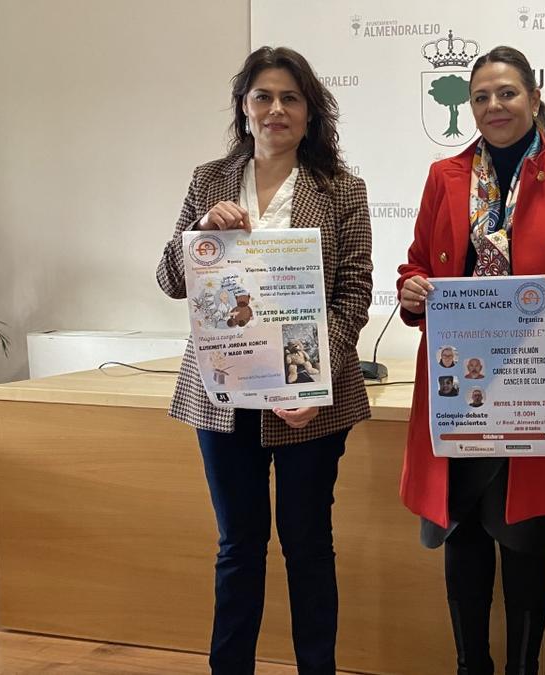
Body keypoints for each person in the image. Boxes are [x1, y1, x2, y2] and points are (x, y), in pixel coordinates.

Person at [396, 45, 545, 675]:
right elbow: (416, 262)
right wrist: (411, 291)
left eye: (508, 93)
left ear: (535, 98)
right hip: (459, 387)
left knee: (526, 542)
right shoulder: (445, 176)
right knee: (460, 536)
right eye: (482, 96)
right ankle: (472, 666)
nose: (495, 106)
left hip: (532, 387)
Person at [155, 46, 372, 675]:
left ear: (311, 113)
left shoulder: (341, 190)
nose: (276, 110)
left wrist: (307, 382)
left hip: (308, 403)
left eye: (291, 98)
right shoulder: (210, 181)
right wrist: (200, 232)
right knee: (237, 548)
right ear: (244, 108)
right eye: (263, 97)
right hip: (222, 394)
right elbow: (172, 279)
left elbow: (354, 294)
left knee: (308, 549)